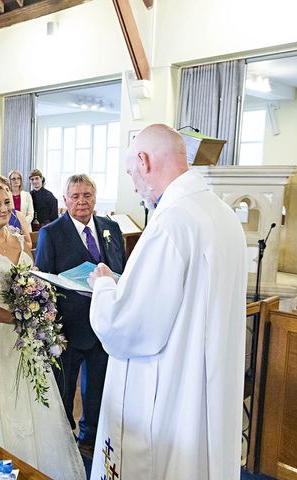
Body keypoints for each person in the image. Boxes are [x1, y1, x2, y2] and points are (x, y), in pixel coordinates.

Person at [87, 124, 247, 479]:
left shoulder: (171, 223)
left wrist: (103, 287)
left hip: (170, 387)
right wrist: (126, 284)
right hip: (204, 382)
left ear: (144, 161)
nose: (133, 185)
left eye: (131, 173)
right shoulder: (221, 214)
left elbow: (127, 327)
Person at [0, 181, 85, 479]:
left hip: (26, 336)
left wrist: (41, 306)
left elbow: (33, 282)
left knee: (32, 397)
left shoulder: (20, 240)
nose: (4, 208)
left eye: (7, 202)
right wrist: (15, 318)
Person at [35, 174, 126, 458]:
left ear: (95, 198)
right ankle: (63, 439)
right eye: (75, 196)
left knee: (97, 388)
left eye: (87, 195)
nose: (81, 201)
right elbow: (42, 282)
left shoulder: (111, 228)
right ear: (65, 200)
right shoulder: (52, 233)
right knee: (64, 390)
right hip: (67, 326)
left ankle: (90, 438)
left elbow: (119, 267)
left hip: (105, 324)